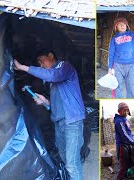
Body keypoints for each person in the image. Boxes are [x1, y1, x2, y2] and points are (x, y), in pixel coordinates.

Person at [14, 50, 85, 180]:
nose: (41, 65)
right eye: (38, 63)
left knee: (71, 164)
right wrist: (45, 101)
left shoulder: (64, 66)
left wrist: (22, 67)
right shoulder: (50, 81)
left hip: (72, 121)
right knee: (64, 158)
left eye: (41, 60)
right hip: (59, 122)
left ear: (50, 56)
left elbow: (53, 75)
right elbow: (56, 103)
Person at [114, 102, 134, 180]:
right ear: (119, 111)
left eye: (127, 110)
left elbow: (128, 132)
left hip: (127, 144)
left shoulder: (124, 119)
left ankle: (126, 176)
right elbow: (124, 134)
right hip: (122, 146)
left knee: (130, 163)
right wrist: (133, 143)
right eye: (124, 110)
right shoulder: (119, 121)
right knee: (123, 166)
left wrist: (132, 139)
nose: (126, 112)